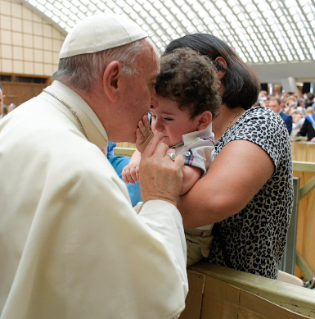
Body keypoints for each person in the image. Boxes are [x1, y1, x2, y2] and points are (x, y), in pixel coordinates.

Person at [0, 14, 188, 319]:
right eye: (151, 84)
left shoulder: (19, 119)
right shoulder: (84, 169)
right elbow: (156, 299)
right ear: (114, 80)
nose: (154, 102)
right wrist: (161, 202)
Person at [164, 33, 293, 280]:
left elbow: (213, 201)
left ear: (219, 69)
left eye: (182, 72)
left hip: (244, 294)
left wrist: (137, 209)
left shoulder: (260, 122)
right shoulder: (192, 133)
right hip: (194, 286)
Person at [122, 48, 221, 266]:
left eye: (167, 118)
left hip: (188, 237)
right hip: (168, 222)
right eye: (153, 115)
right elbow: (144, 149)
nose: (156, 125)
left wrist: (151, 160)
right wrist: (137, 158)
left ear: (202, 121)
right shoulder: (174, 137)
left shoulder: (200, 145)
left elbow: (183, 181)